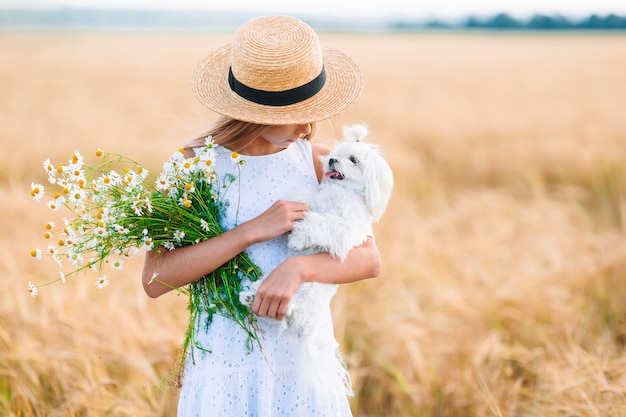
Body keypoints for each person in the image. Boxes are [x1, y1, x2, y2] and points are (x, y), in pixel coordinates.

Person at [141, 15, 382, 416]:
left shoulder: (322, 163)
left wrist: (300, 268)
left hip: (302, 366)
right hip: (224, 367)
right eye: (295, 110)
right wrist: (250, 231)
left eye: (313, 108)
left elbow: (369, 257)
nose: (308, 125)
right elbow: (154, 280)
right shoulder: (192, 167)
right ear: (252, 108)